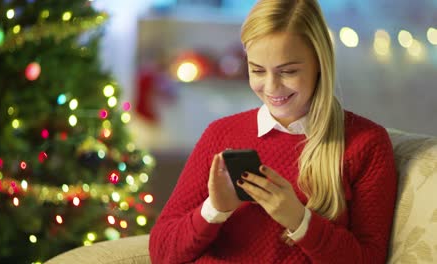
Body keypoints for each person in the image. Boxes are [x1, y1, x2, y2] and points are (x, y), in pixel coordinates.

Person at [149, 0, 397, 263]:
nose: (271, 87)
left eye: (288, 71)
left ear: (319, 64)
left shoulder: (366, 144)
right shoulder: (221, 134)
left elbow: (368, 259)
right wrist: (214, 210)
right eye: (257, 70)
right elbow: (162, 252)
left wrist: (299, 221)